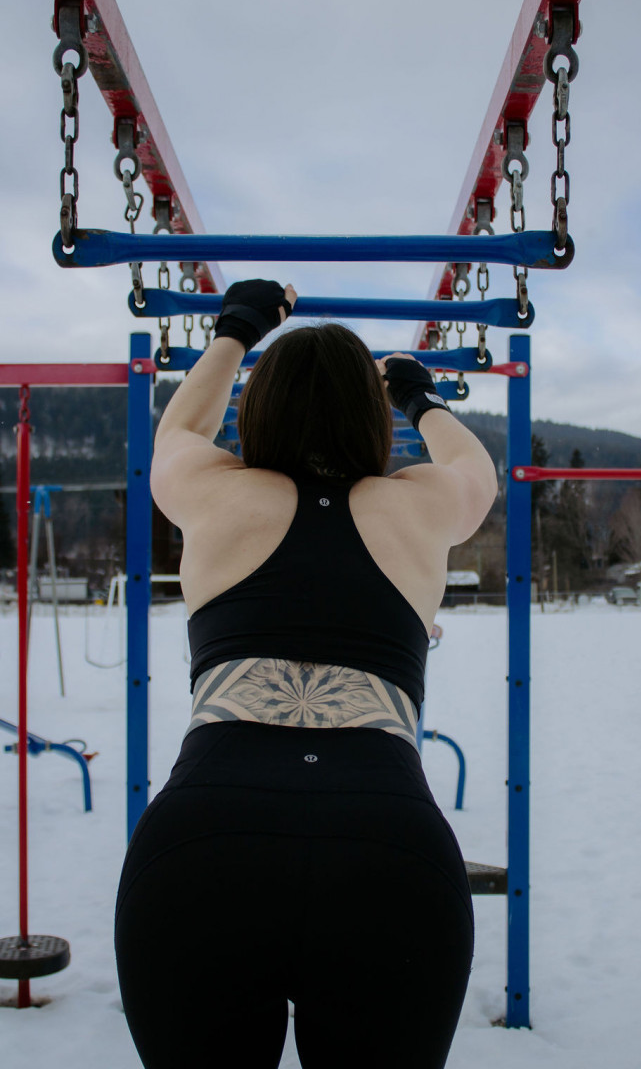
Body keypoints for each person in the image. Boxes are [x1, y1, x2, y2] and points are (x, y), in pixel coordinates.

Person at [114, 279, 497, 1069]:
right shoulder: (420, 505)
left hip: (203, 845)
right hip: (387, 849)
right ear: (372, 420)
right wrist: (416, 394)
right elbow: (474, 468)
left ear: (257, 412)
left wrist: (238, 327)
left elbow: (179, 429)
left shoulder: (215, 493)